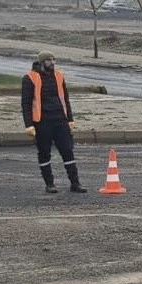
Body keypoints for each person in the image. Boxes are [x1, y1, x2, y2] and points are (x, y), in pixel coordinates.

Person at [21, 51, 87, 194]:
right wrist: (29, 125)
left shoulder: (59, 76)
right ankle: (49, 183)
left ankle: (75, 183)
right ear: (42, 62)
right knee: (44, 152)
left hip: (60, 120)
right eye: (49, 60)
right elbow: (26, 104)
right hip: (42, 121)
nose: (52, 62)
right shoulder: (29, 78)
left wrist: (70, 119)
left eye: (53, 59)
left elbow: (65, 99)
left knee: (67, 150)